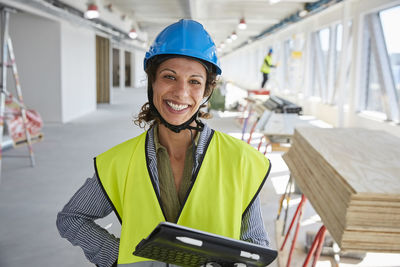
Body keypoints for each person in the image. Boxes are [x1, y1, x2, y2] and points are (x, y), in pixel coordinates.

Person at [57, 19, 272, 267]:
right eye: (169, 77)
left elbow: (256, 244)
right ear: (153, 82)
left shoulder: (241, 160)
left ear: (206, 92)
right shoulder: (119, 161)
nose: (181, 93)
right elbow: (72, 218)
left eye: (194, 81)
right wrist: (119, 258)